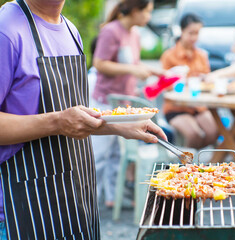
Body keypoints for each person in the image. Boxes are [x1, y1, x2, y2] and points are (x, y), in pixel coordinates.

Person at [0, 0, 166, 239]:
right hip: (22, 207)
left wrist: (120, 126)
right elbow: (62, 120)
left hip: (76, 201)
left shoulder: (70, 30)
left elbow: (74, 119)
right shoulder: (6, 29)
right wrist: (56, 122)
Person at [90, 0, 162, 208]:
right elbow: (100, 63)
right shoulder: (111, 31)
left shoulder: (135, 34)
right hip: (105, 101)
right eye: (147, 12)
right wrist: (131, 70)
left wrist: (157, 72)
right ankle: (88, 199)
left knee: (117, 153)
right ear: (135, 10)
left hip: (124, 104)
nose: (149, 17)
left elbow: (135, 63)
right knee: (100, 154)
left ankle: (112, 198)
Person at [160, 13, 218, 149]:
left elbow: (207, 81)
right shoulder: (169, 56)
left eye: (197, 33)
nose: (194, 38)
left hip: (198, 105)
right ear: (182, 31)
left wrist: (205, 80)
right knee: (194, 134)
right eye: (191, 33)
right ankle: (185, 166)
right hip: (176, 107)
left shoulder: (201, 55)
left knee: (214, 131)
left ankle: (199, 161)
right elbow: (163, 85)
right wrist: (180, 80)